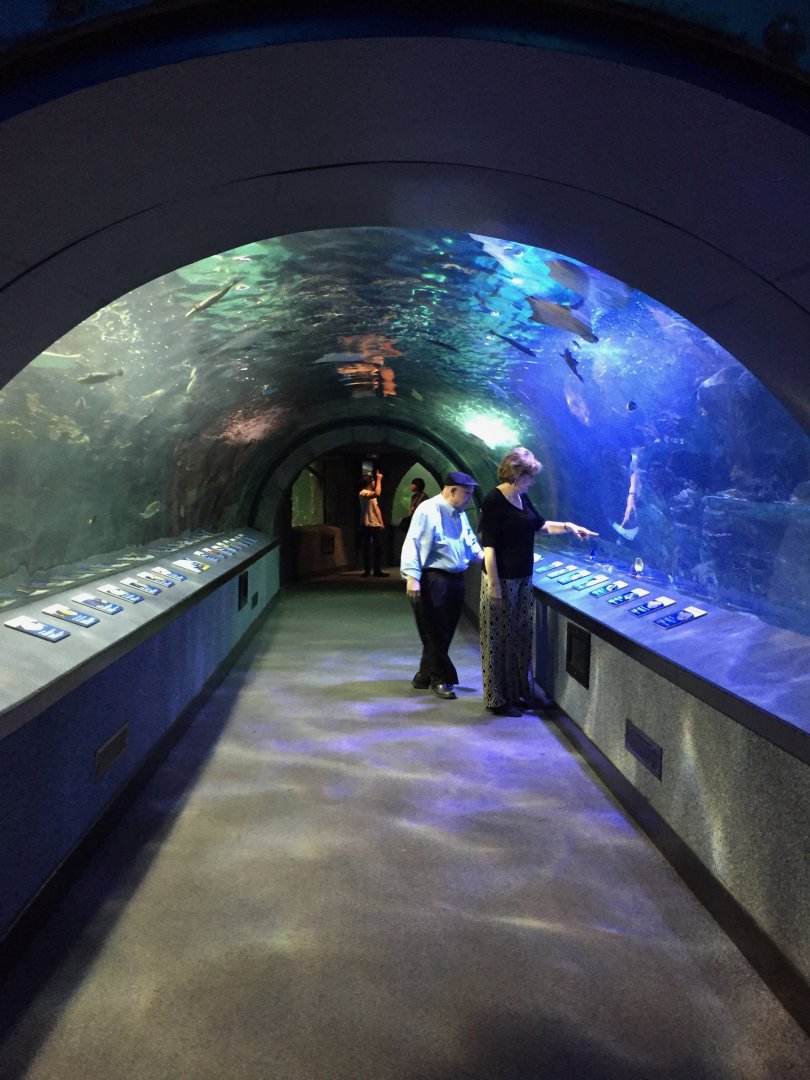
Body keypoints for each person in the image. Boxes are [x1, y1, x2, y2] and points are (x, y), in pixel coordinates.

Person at [479, 447, 598, 717]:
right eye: (530, 476)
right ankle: (496, 699)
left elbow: (540, 526)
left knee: (519, 637)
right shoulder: (494, 501)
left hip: (523, 577)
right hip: (501, 580)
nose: (533, 481)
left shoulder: (522, 497)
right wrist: (495, 587)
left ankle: (518, 692)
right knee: (496, 638)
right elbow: (489, 548)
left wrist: (569, 526)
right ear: (517, 474)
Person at [400, 471, 483, 700]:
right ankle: (441, 678)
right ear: (452, 490)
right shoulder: (427, 510)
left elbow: (471, 544)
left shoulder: (459, 514)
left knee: (443, 631)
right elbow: (413, 543)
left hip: (456, 579)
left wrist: (488, 558)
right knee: (436, 630)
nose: (469, 499)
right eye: (467, 494)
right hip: (434, 578)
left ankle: (424, 675)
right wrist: (412, 577)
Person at [358, 469, 388, 577]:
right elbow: (378, 493)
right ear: (369, 483)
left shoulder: (370, 494)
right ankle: (367, 570)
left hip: (375, 524)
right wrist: (379, 479)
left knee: (378, 547)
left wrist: (381, 522)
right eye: (373, 481)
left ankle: (377, 570)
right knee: (366, 547)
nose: (374, 482)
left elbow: (377, 509)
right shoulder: (363, 493)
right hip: (366, 524)